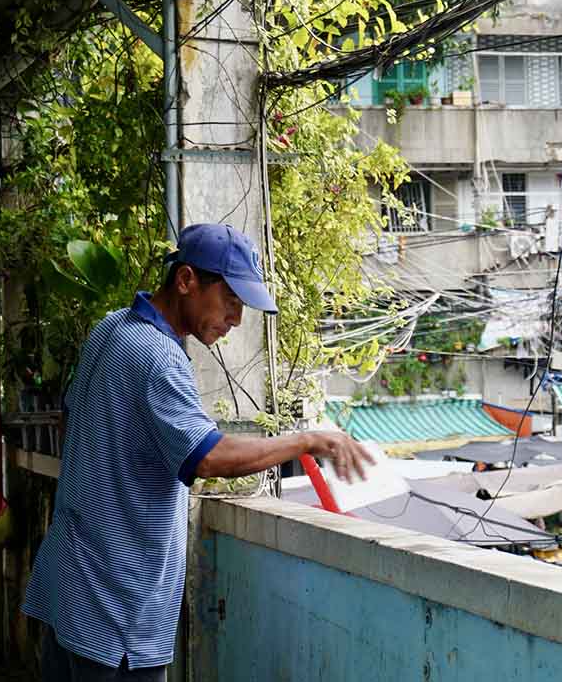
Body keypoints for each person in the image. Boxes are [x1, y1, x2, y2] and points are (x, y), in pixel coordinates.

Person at [22, 223, 372, 681]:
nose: (236, 319)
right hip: (118, 610)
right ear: (186, 280)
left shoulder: (109, 329)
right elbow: (208, 458)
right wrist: (306, 439)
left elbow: (75, 420)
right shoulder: (158, 357)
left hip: (69, 586)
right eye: (230, 301)